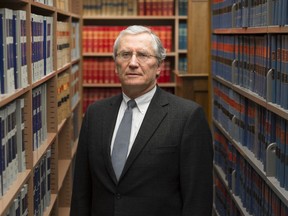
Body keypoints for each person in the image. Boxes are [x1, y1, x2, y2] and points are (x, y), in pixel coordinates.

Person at [70, 25, 213, 216]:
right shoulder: (95, 114)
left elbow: (197, 200)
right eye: (125, 54)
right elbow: (81, 191)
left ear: (159, 66)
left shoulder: (187, 117)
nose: (133, 63)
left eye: (143, 55)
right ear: (115, 65)